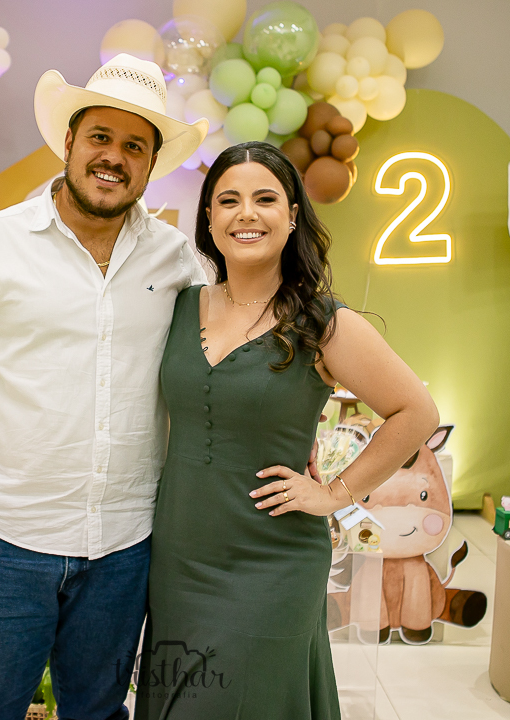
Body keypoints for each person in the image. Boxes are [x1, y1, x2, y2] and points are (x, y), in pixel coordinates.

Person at [0, 54, 208, 720]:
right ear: (68, 141)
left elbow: (218, 362)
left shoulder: (177, 259)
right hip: (2, 541)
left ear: (151, 164)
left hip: (124, 544)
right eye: (100, 137)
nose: (114, 157)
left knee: (98, 713)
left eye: (135, 146)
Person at [134, 141, 440, 719]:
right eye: (229, 200)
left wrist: (336, 494)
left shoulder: (323, 323)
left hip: (271, 560)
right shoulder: (178, 306)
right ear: (208, 217)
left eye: (265, 198)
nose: (245, 213)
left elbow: (416, 413)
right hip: (179, 558)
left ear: (293, 214)